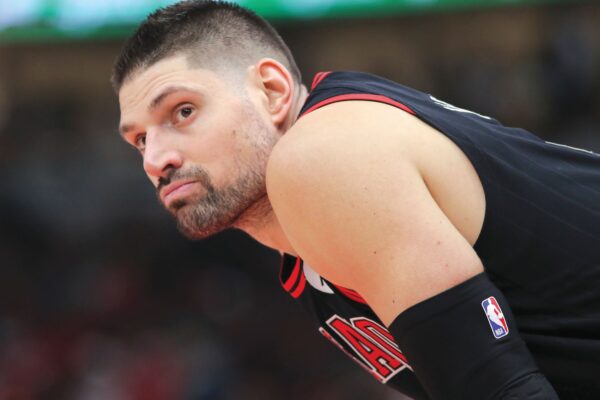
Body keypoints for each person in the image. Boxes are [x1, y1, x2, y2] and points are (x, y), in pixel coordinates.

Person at [112, 1, 600, 399]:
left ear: (272, 90)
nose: (156, 159)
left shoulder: (324, 155)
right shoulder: (306, 233)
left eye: (183, 111)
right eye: (138, 140)